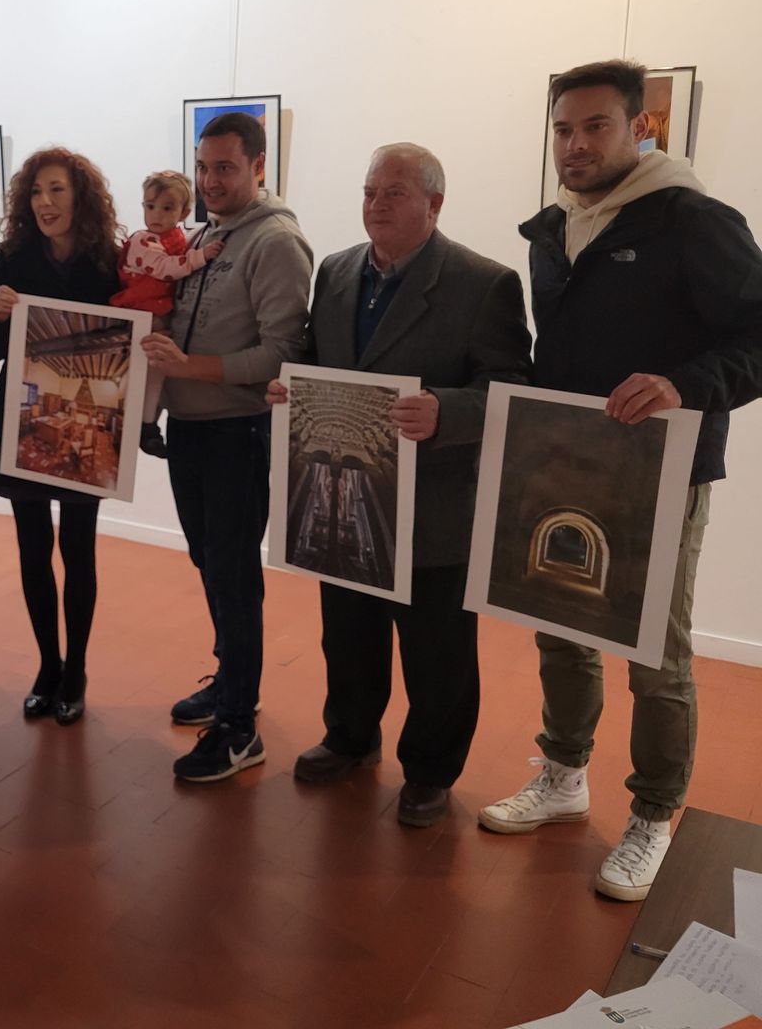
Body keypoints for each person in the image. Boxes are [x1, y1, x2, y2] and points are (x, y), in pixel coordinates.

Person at [480, 60, 762, 899]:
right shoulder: (553, 229)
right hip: (560, 460)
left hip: (662, 468)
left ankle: (654, 816)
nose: (575, 144)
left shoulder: (694, 220)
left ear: (641, 128)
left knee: (654, 655)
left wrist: (685, 386)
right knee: (559, 624)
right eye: (563, 129)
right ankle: (564, 775)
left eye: (595, 126)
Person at [267, 143, 531, 826]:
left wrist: (449, 410)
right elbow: (314, 354)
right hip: (344, 493)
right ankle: (350, 738)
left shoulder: (484, 282)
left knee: (437, 650)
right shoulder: (336, 270)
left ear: (434, 205)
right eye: (369, 191)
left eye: (394, 193)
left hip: (435, 503)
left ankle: (431, 771)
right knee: (347, 633)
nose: (376, 205)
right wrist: (289, 385)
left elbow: (511, 389)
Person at [141, 111, 312, 782]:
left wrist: (189, 369)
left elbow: (284, 355)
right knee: (209, 562)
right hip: (191, 429)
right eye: (204, 167)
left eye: (226, 168)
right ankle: (231, 681)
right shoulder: (207, 235)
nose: (210, 180)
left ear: (259, 166)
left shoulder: (276, 242)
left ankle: (240, 727)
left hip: (239, 432)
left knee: (234, 576)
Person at [0, 147, 125, 725]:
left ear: (80, 196)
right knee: (32, 550)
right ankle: (47, 665)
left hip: (87, 422)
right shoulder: (11, 254)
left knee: (77, 549)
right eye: (36, 192)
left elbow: (129, 342)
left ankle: (77, 669)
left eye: (57, 190)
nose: (45, 203)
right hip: (22, 419)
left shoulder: (111, 262)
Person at [112, 170, 222, 458]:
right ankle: (141, 424)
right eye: (150, 207)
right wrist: (202, 256)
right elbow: (167, 268)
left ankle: (147, 423)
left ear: (184, 212)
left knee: (158, 373)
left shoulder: (179, 238)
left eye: (167, 208)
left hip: (158, 316)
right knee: (149, 371)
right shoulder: (142, 241)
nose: (156, 215)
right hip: (138, 315)